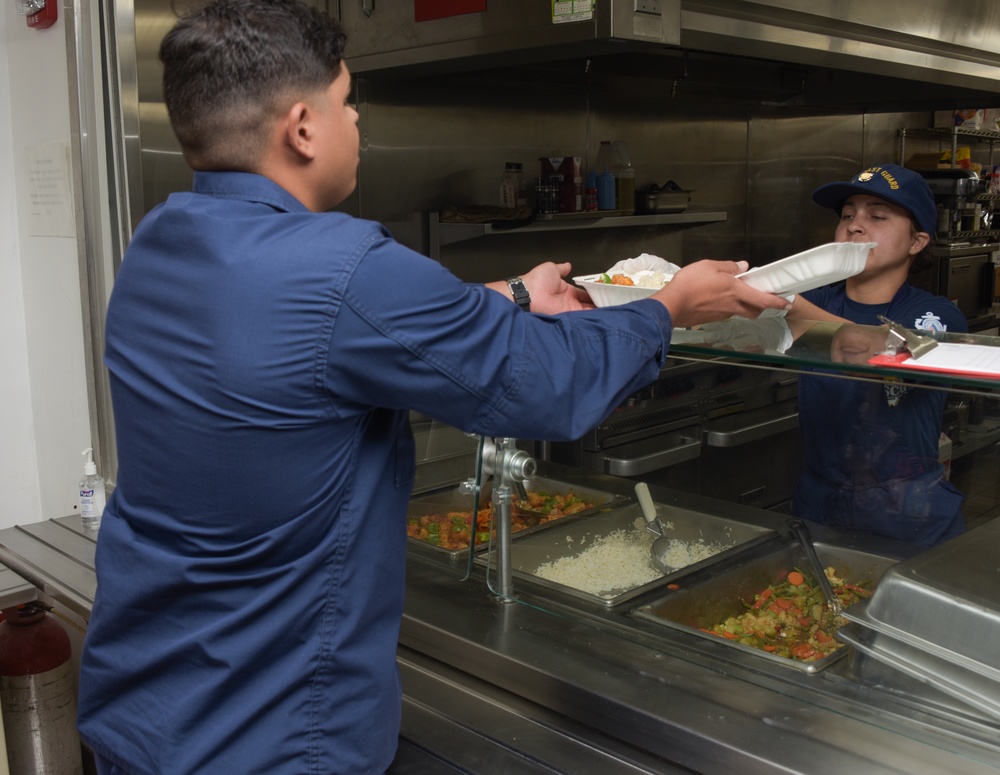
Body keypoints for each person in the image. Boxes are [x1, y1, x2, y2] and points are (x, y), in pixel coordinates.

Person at [75, 1, 789, 773]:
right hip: (271, 731)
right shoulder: (343, 265)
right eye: (349, 103)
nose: (357, 124)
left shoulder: (162, 241)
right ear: (303, 126)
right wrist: (670, 306)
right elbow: (548, 385)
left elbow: (313, 333)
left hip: (146, 706)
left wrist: (511, 293)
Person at [786, 163, 968, 546]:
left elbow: (866, 348)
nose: (854, 225)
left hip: (907, 508)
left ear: (917, 242)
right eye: (848, 214)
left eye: (878, 215)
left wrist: (780, 302)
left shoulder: (935, 315)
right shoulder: (815, 299)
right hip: (819, 500)